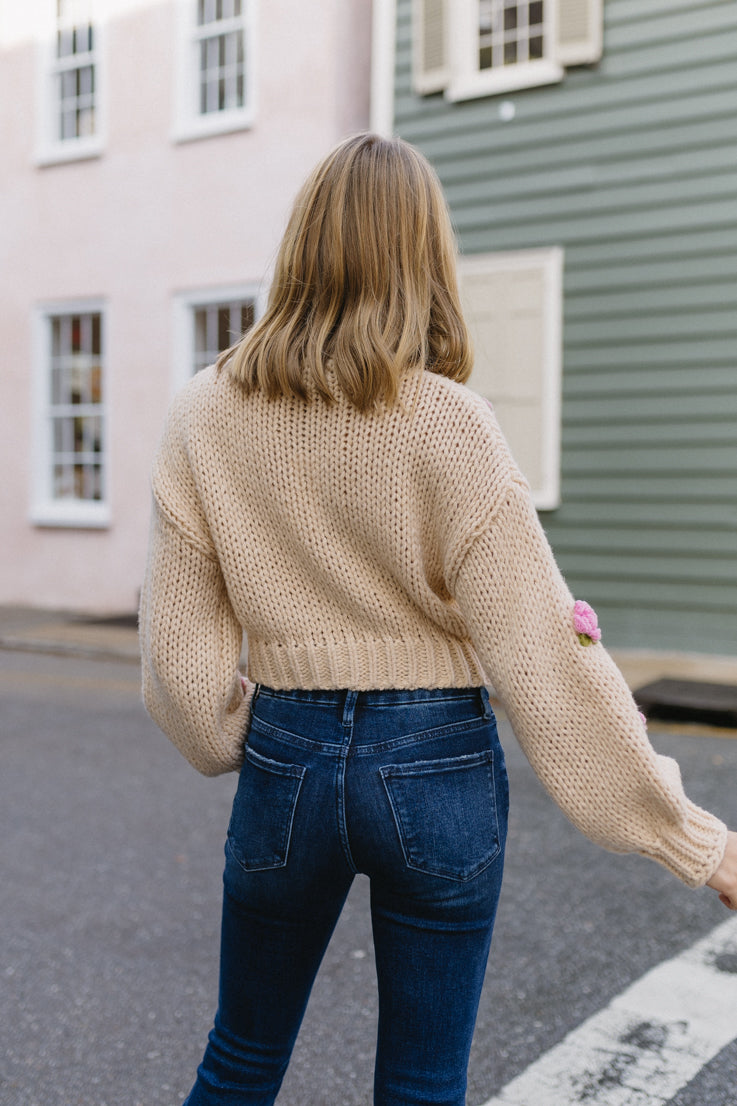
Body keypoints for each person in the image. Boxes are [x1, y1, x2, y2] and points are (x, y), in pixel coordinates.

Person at [139, 132, 737, 1106]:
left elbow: (179, 659)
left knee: (241, 1055)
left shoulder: (200, 416)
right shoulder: (448, 424)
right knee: (421, 1081)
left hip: (284, 756)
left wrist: (231, 738)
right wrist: (695, 840)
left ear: (301, 249)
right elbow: (545, 659)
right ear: (423, 256)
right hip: (434, 766)